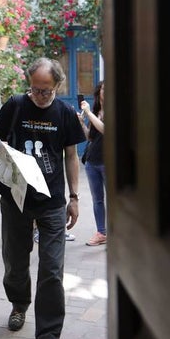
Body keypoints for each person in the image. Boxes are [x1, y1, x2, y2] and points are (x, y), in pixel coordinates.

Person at [0, 58, 85, 339]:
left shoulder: (66, 114)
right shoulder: (15, 105)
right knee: (16, 260)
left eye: (45, 91)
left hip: (52, 201)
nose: (38, 96)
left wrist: (74, 197)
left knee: (52, 270)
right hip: (16, 197)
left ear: (58, 86)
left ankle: (49, 338)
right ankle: (19, 304)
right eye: (34, 89)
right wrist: (4, 151)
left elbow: (71, 156)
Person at [79, 80, 106, 245]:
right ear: (98, 92)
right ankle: (101, 232)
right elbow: (91, 136)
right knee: (97, 200)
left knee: (114, 201)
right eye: (103, 88)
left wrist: (88, 114)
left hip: (107, 161)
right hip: (92, 161)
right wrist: (82, 123)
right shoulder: (97, 110)